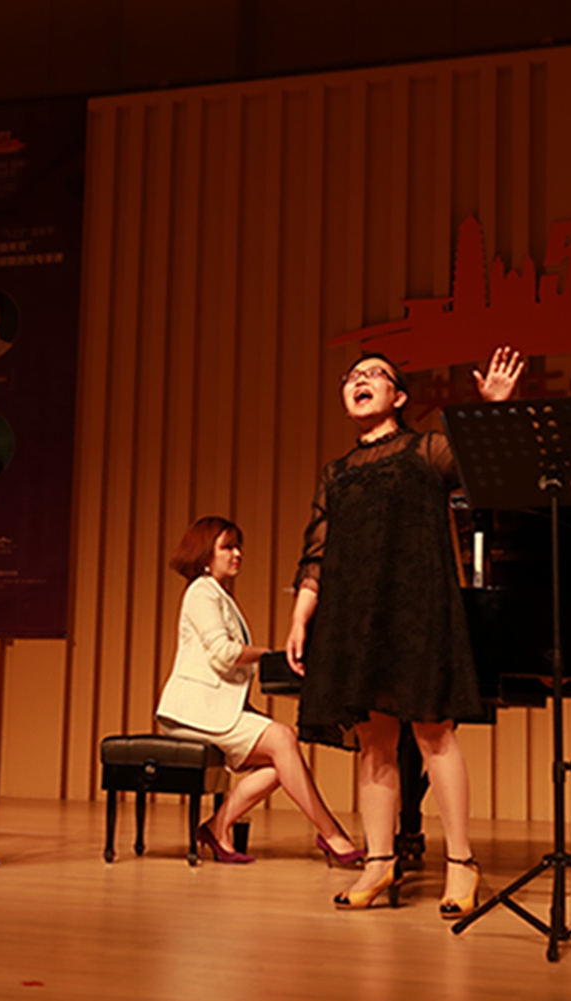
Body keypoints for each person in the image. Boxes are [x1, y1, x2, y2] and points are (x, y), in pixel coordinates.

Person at [285, 347, 523, 912]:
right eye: (352, 376)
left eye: (375, 375)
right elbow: (317, 550)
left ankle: (461, 862)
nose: (360, 381)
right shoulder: (336, 472)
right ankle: (379, 862)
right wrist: (300, 617)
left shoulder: (425, 449)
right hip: (353, 614)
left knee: (433, 731)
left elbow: (482, 470)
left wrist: (493, 409)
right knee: (373, 739)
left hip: (416, 608)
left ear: (399, 396)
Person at [156, 517, 362, 866]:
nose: (237, 554)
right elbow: (223, 653)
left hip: (212, 709)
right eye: (227, 547)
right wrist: (268, 655)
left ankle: (217, 827)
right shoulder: (201, 591)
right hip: (192, 710)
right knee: (283, 740)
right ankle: (331, 835)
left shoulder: (217, 594)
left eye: (239, 547)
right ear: (205, 553)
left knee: (281, 759)